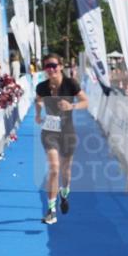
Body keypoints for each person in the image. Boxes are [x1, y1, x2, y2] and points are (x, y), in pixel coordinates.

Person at [35, 53, 89, 225]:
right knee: (54, 169)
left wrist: (71, 105)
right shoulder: (42, 86)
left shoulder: (70, 84)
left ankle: (64, 193)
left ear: (60, 66)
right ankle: (51, 210)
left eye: (53, 65)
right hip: (50, 131)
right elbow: (38, 101)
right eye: (47, 66)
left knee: (65, 171)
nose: (50, 69)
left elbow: (85, 102)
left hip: (67, 131)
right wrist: (38, 112)